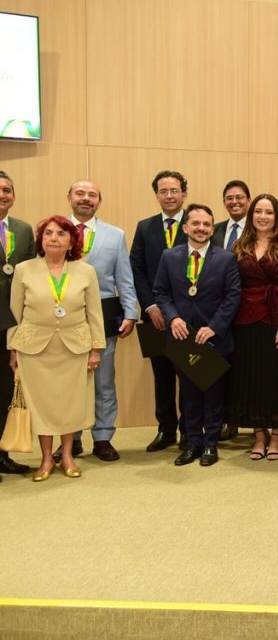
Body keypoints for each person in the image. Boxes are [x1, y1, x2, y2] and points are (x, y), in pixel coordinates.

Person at [8, 216, 105, 481]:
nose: (54, 238)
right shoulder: (24, 270)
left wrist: (96, 349)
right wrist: (12, 348)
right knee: (42, 405)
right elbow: (15, 312)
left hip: (74, 348)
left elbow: (94, 313)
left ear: (71, 241)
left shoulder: (86, 271)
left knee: (70, 405)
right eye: (48, 233)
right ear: (41, 240)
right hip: (34, 349)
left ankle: (68, 456)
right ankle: (46, 459)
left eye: (61, 233)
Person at [154, 204, 242, 467]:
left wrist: (214, 327)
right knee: (189, 395)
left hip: (213, 338)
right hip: (182, 338)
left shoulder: (226, 258)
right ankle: (193, 443)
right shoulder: (169, 256)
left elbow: (233, 296)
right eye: (196, 224)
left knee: (213, 395)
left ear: (212, 229)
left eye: (206, 224)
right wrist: (173, 318)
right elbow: (161, 292)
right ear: (186, 227)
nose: (201, 228)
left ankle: (210, 444)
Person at [65, 180, 138, 463]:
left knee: (104, 380)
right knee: (69, 382)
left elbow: (124, 277)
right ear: (69, 197)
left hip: (104, 313)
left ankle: (103, 437)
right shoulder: (56, 230)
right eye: (80, 193)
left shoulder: (115, 235)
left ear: (99, 201)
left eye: (92, 195)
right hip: (64, 316)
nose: (86, 198)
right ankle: (70, 439)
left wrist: (130, 313)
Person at [225, 194, 278, 461]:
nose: (263, 217)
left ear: (276, 216)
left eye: (268, 212)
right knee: (251, 378)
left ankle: (276, 436)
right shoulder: (240, 245)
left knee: (275, 378)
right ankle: (259, 435)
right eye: (258, 211)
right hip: (244, 319)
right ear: (251, 215)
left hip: (277, 317)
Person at [130, 170, 188, 452]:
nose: (169, 196)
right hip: (154, 316)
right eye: (163, 191)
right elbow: (136, 269)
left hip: (188, 316)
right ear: (156, 195)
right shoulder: (145, 227)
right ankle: (166, 429)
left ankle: (189, 430)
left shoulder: (197, 223)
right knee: (161, 377)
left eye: (174, 190)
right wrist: (150, 305)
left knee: (189, 375)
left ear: (184, 194)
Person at [0, 171, 36, 477]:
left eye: (7, 190)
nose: (3, 195)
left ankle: (2, 454)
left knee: (4, 390)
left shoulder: (23, 229)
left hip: (11, 321)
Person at [211, 180, 251, 442]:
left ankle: (247, 419)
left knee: (245, 367)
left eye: (239, 197)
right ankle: (226, 420)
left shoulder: (259, 228)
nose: (234, 202)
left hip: (249, 308)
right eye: (229, 198)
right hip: (219, 311)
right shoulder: (214, 230)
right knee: (221, 368)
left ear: (249, 200)